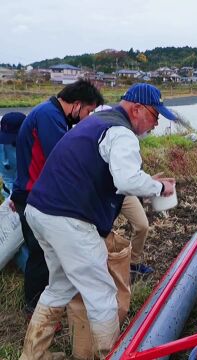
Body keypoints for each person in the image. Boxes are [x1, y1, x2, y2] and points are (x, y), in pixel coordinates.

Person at [19, 83, 176, 359]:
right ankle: (109, 354)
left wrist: (147, 182)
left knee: (59, 286)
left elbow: (113, 172)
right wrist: (160, 188)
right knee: (103, 294)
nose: (155, 124)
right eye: (155, 116)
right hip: (68, 219)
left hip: (40, 211)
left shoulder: (98, 121)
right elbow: (126, 179)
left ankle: (34, 354)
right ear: (137, 109)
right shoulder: (122, 133)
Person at [10, 80, 104, 316]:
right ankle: (33, 308)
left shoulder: (51, 113)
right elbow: (64, 158)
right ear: (77, 105)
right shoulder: (50, 117)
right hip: (33, 195)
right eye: (89, 112)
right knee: (40, 254)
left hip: (30, 191)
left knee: (43, 253)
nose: (88, 117)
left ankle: (43, 304)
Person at [93, 104, 154, 276]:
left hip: (122, 191)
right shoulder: (92, 139)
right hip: (102, 192)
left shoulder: (123, 135)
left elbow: (130, 172)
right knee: (100, 230)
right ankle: (104, 265)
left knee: (142, 225)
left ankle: (132, 262)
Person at [0, 112, 28, 272]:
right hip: (10, 194)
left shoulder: (34, 143)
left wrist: (20, 196)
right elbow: (6, 173)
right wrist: (13, 195)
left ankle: (29, 268)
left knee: (27, 232)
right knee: (10, 233)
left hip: (29, 196)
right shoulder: (2, 144)